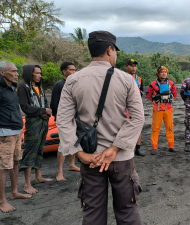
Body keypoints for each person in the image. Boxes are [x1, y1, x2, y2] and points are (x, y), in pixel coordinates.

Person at [56, 30, 144, 224]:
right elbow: (137, 118)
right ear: (110, 50)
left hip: (91, 159)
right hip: (121, 158)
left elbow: (63, 120)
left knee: (93, 214)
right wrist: (114, 148)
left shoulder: (72, 80)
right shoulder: (126, 79)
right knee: (128, 211)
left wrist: (79, 153)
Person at [0, 61, 32, 213]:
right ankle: (2, 201)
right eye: (13, 71)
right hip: (5, 135)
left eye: (17, 71)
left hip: (17, 132)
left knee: (16, 163)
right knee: (4, 167)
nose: (17, 74)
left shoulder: (11, 89)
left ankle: (14, 192)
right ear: (3, 73)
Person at [18, 64, 53, 194]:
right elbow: (25, 107)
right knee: (30, 150)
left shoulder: (39, 87)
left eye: (40, 73)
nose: (40, 75)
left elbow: (45, 102)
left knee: (40, 148)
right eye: (37, 73)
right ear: (29, 74)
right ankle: (27, 184)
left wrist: (47, 111)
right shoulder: (23, 88)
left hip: (44, 121)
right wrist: (43, 111)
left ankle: (38, 177)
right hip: (33, 122)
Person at [50, 61, 80, 181]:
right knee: (63, 145)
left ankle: (72, 164)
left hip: (76, 118)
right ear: (64, 71)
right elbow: (54, 104)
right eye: (71, 70)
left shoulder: (74, 83)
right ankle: (59, 172)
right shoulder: (59, 85)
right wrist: (61, 119)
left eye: (74, 69)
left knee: (75, 142)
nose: (74, 72)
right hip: (65, 120)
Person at [146, 66, 177, 155]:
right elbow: (148, 95)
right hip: (158, 109)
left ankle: (171, 146)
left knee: (170, 127)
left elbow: (175, 94)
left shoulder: (171, 83)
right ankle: (154, 147)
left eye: (165, 72)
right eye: (162, 72)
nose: (164, 73)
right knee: (155, 128)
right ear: (158, 74)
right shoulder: (153, 84)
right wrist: (154, 101)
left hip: (168, 108)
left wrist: (170, 99)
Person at [125, 59, 145, 156]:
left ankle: (138, 148)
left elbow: (141, 93)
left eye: (135, 66)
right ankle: (126, 148)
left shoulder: (139, 79)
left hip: (136, 106)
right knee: (124, 126)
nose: (133, 68)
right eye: (131, 66)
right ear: (127, 66)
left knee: (138, 126)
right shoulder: (122, 77)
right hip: (124, 106)